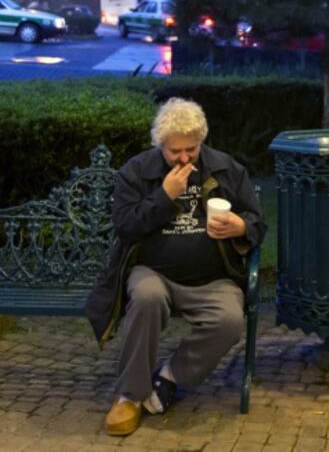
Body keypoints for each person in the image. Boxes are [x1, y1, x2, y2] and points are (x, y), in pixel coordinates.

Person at [86, 97, 267, 436]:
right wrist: (164, 197)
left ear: (202, 142)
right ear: (160, 146)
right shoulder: (137, 172)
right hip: (153, 271)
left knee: (228, 321)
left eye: (192, 149)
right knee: (146, 298)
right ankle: (130, 394)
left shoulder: (226, 168)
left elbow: (258, 220)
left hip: (214, 276)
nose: (184, 158)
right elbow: (125, 225)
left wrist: (241, 227)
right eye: (175, 152)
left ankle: (169, 377)